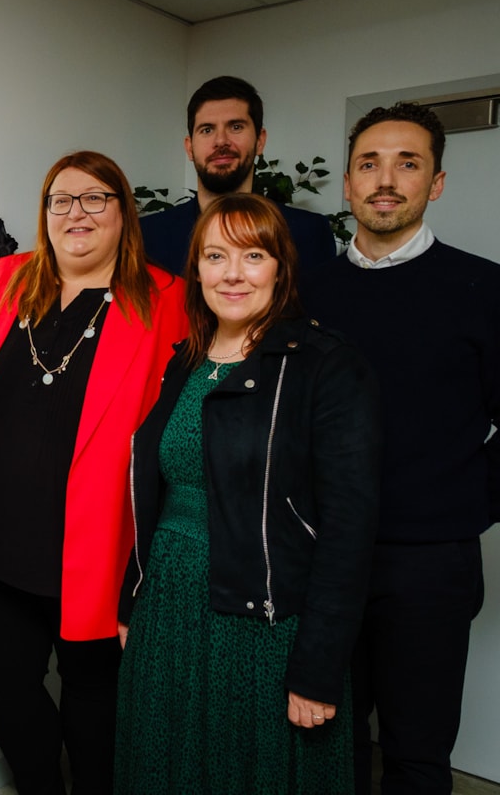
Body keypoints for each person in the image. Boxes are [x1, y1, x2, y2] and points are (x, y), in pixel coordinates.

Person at [0, 151, 187, 794]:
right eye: (60, 200)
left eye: (95, 198)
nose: (77, 213)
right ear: (44, 214)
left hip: (99, 547)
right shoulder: (6, 280)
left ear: (123, 213)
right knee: (8, 690)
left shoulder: (165, 300)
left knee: (94, 700)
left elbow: (181, 428)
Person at [115, 193, 380, 794]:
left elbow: (348, 532)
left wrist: (319, 665)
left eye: (252, 255)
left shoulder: (325, 365)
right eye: (215, 256)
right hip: (168, 607)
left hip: (263, 625)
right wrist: (133, 598)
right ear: (197, 269)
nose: (232, 273)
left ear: (281, 268)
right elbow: (153, 494)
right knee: (166, 767)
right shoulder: (184, 360)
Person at [302, 102, 500, 795]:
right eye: (369, 163)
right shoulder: (306, 291)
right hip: (319, 556)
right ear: (349, 185)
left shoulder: (484, 287)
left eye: (407, 163)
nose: (386, 180)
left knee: (416, 757)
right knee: (323, 741)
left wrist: (467, 500)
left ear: (436, 183)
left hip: (428, 563)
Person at [140, 75, 335, 275]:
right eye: (207, 130)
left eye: (236, 127)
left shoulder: (309, 233)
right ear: (189, 148)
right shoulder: (147, 236)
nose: (221, 141)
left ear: (260, 141)